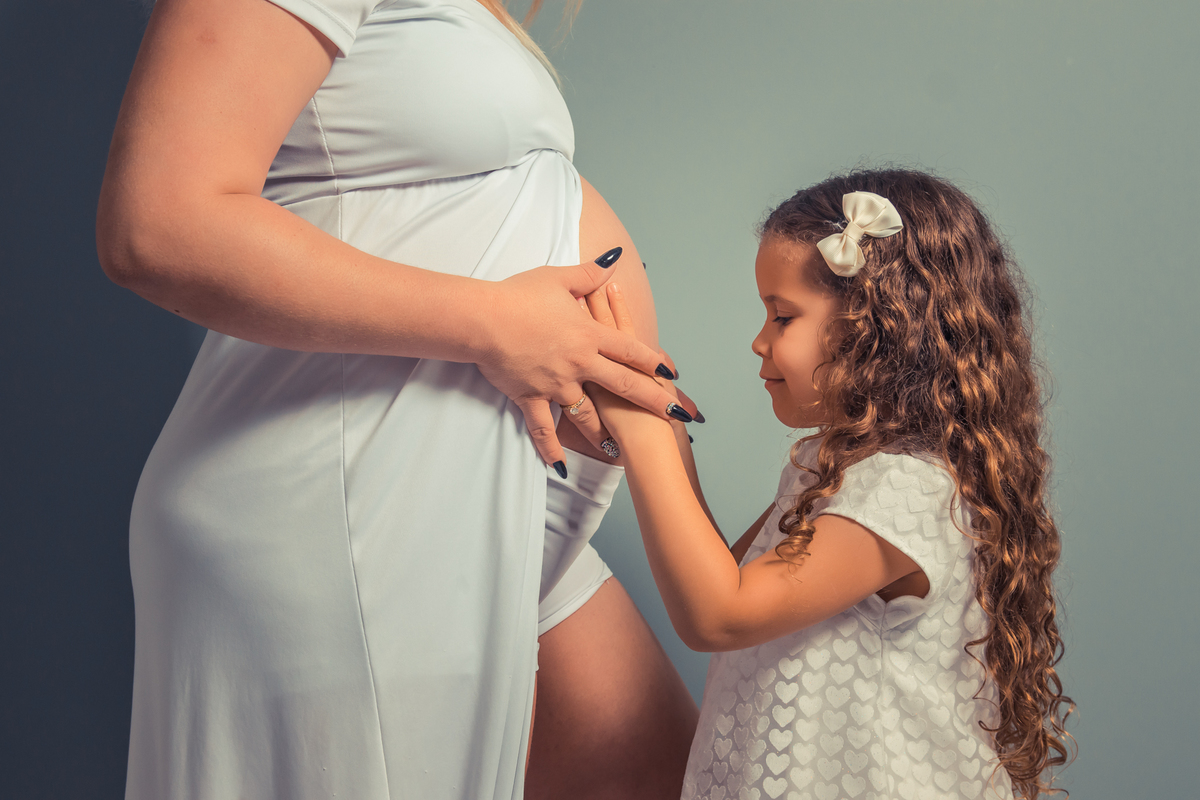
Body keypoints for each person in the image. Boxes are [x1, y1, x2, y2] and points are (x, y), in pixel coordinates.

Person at [96, 0, 696, 797]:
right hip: (350, 503)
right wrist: (498, 324)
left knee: (671, 772)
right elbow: (158, 224)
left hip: (482, 495)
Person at [586, 169, 1074, 800]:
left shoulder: (905, 490)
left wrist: (642, 434)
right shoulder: (830, 467)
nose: (759, 341)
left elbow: (719, 615)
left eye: (782, 316)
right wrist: (665, 428)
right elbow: (717, 574)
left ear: (878, 327)